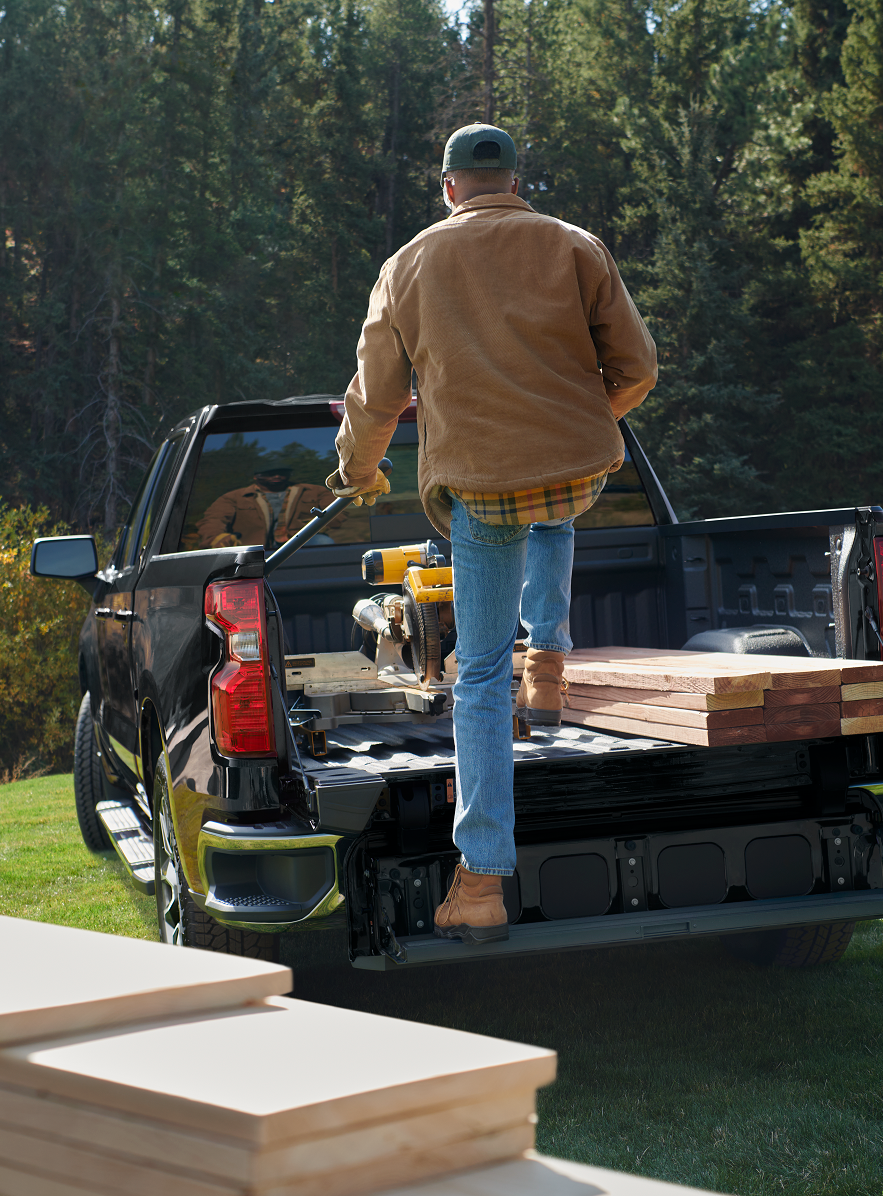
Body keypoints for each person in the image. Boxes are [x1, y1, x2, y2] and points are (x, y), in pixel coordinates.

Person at [329, 123, 657, 944]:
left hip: (480, 487)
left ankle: (479, 880)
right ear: (515, 179)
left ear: (447, 188)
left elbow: (373, 400)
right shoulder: (577, 246)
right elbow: (640, 368)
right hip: (574, 466)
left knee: (477, 675)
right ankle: (548, 657)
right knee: (553, 501)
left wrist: (358, 472)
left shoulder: (407, 266)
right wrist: (582, 421)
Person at [185, 461, 356, 550]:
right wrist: (219, 538)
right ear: (256, 477)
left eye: (281, 473)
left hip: (303, 546)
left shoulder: (313, 491)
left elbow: (339, 513)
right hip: (255, 550)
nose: (276, 476)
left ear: (288, 475)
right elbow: (213, 519)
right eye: (269, 473)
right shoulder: (235, 498)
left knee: (323, 543)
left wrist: (311, 527)